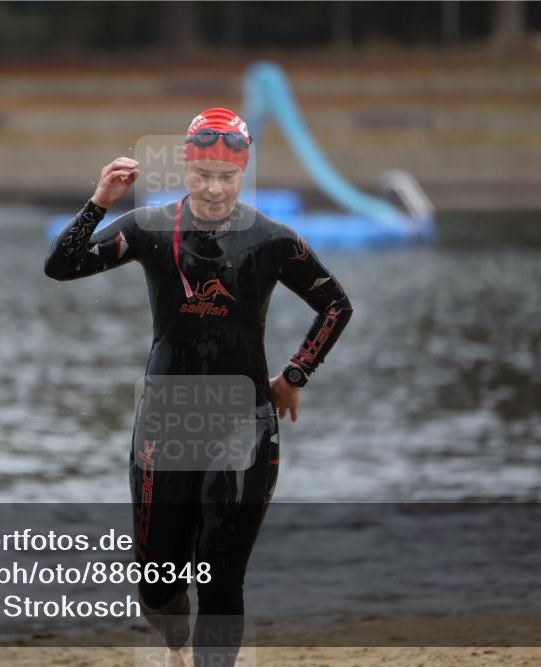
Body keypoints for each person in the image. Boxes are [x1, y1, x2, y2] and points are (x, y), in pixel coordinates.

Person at [44, 108, 353, 667]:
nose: (213, 188)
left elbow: (335, 304)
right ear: (185, 167)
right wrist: (99, 202)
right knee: (157, 586)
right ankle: (176, 643)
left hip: (245, 423)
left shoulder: (272, 240)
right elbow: (61, 267)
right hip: (165, 423)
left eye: (226, 177)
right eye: (202, 174)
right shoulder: (148, 229)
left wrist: (295, 374)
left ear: (243, 172)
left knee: (221, 573)